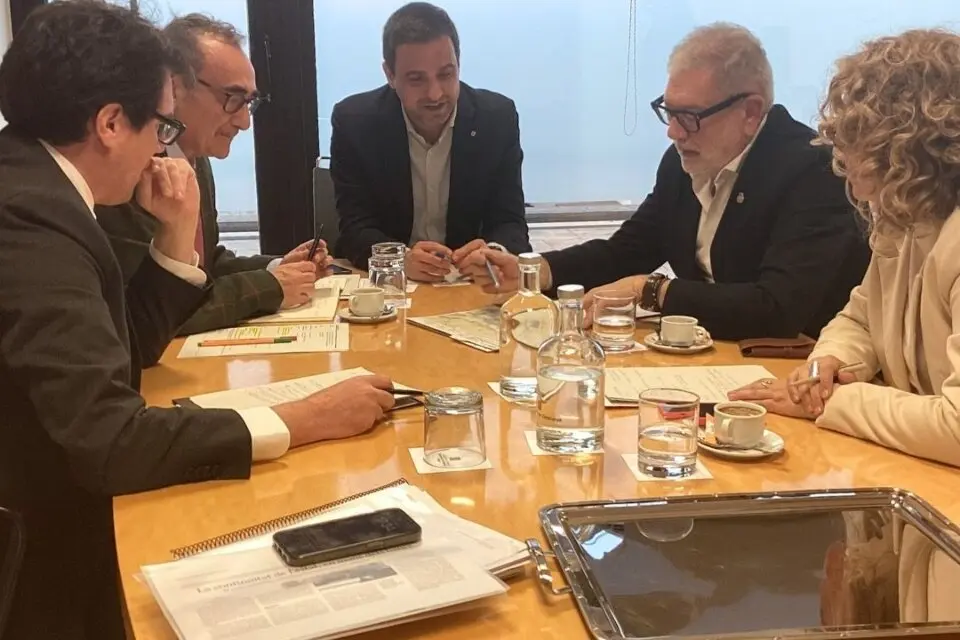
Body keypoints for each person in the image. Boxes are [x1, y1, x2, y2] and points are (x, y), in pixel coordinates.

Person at [0, 3, 395, 638]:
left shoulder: (33, 184)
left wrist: (173, 238)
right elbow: (111, 443)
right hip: (39, 561)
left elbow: (128, 351)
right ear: (110, 123)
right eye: (161, 126)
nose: (163, 146)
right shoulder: (30, 220)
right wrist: (303, 418)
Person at [461, 23, 870, 341]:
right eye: (669, 112)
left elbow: (777, 308)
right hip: (716, 360)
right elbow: (626, 251)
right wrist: (535, 271)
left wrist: (652, 291)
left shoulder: (813, 170)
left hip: (800, 373)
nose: (673, 132)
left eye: (689, 116)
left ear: (750, 112)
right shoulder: (683, 162)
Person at [729, 29, 960, 468]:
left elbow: (957, 429)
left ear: (908, 144)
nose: (840, 153)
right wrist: (827, 364)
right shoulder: (905, 218)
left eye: (856, 135)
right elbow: (860, 317)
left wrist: (832, 402)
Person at [97, 14, 327, 336]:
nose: (245, 122)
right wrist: (270, 287)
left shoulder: (197, 159)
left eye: (249, 102)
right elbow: (158, 308)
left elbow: (204, 264)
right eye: (232, 98)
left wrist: (278, 267)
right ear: (173, 88)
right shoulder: (131, 167)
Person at [330, 1, 532, 280]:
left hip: (468, 281)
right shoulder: (355, 122)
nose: (435, 94)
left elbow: (509, 221)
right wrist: (400, 259)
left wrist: (494, 255)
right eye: (417, 79)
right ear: (390, 75)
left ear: (459, 65)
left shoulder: (496, 119)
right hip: (391, 284)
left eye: (446, 74)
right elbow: (355, 228)